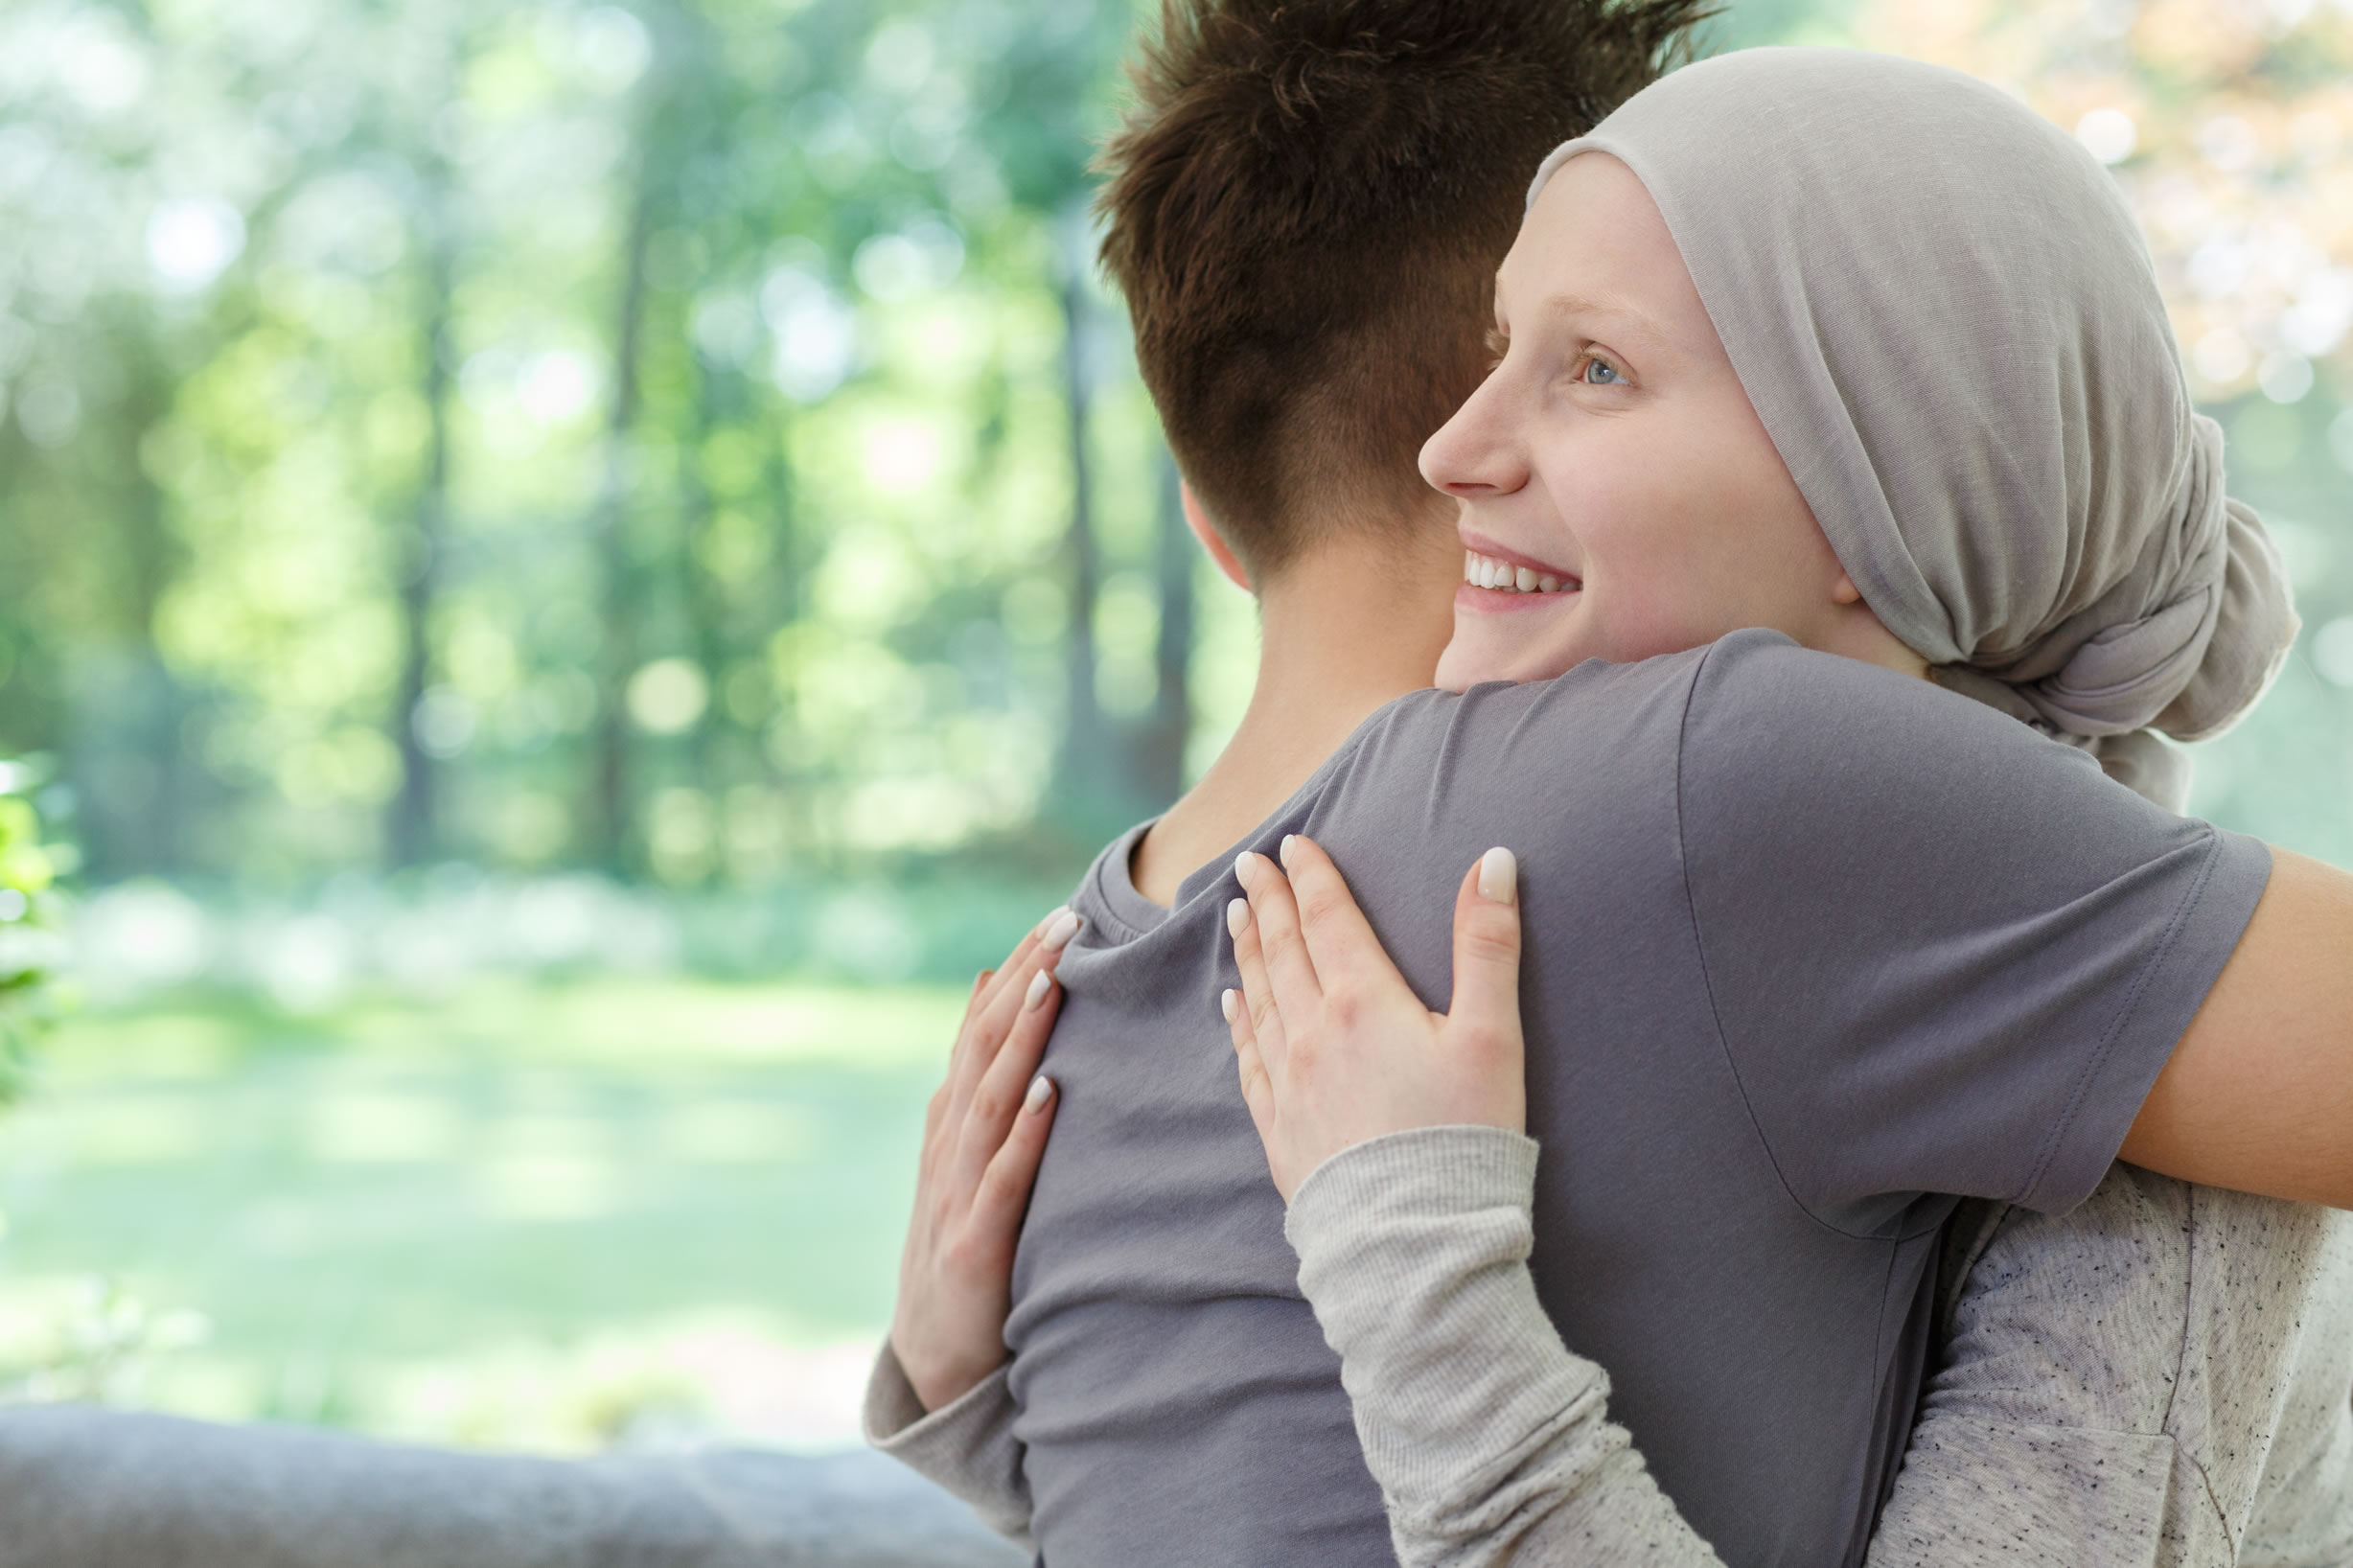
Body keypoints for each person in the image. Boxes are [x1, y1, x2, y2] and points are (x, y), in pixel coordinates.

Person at [865, 13, 2353, 1568]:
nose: (1464, 447)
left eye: (1592, 364)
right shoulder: (1724, 773)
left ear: (1212, 522)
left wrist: (978, 1411)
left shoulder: (1083, 975)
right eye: (1519, 349)